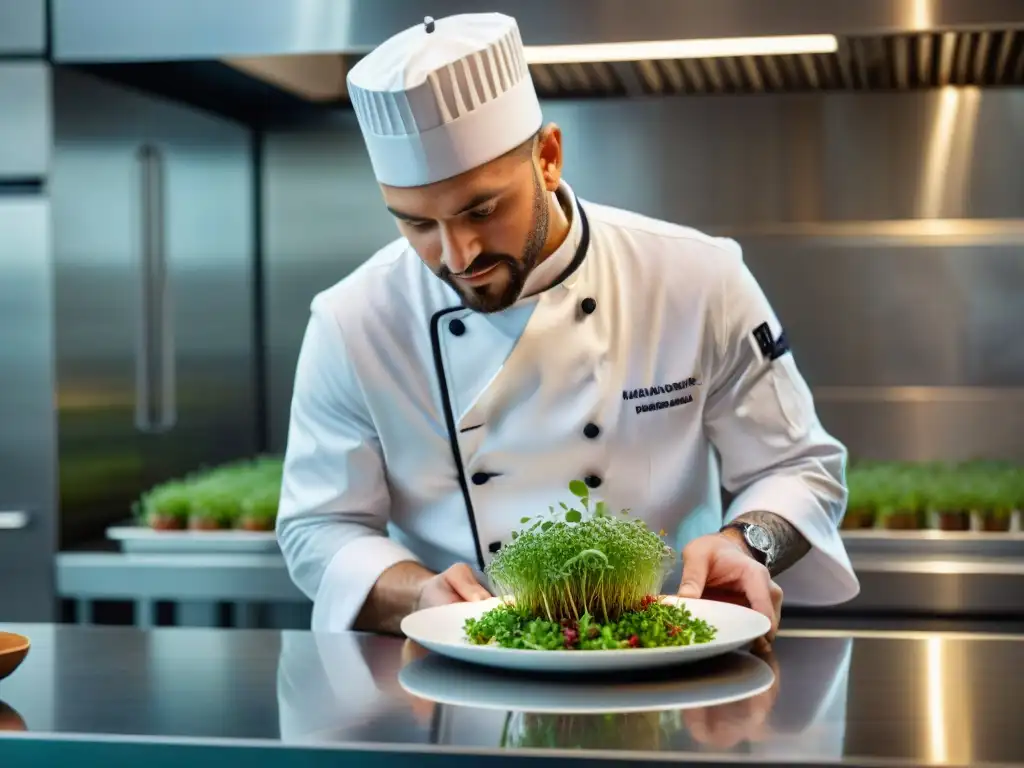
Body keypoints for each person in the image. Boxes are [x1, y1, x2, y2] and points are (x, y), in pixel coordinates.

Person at [275, 11, 859, 645]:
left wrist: (748, 543)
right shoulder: (353, 319)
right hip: (462, 677)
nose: (458, 254)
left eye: (482, 209)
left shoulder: (696, 277)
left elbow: (801, 467)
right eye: (417, 224)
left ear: (548, 158)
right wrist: (419, 593)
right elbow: (318, 526)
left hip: (666, 660)